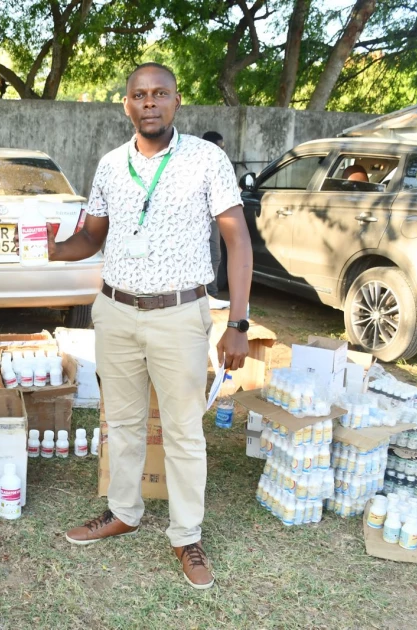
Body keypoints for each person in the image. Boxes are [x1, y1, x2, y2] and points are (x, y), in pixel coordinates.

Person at [49, 63, 253, 589]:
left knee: (183, 430)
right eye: (140, 95)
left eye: (160, 93)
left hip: (178, 313)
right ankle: (123, 512)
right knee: (121, 422)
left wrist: (239, 322)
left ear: (177, 101)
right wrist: (44, 246)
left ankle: (187, 535)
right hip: (115, 312)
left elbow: (238, 242)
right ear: (126, 104)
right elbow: (90, 238)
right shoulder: (111, 165)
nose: (150, 103)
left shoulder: (207, 160)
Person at [202, 131, 225, 301]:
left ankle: (211, 292)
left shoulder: (220, 164)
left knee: (215, 256)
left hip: (213, 218)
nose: (223, 151)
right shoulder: (195, 165)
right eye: (221, 147)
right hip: (199, 219)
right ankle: (207, 294)